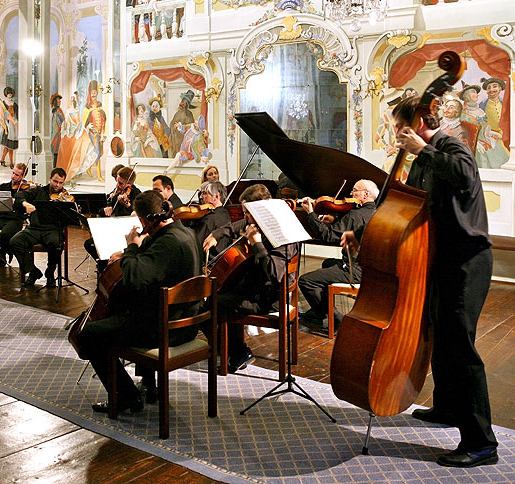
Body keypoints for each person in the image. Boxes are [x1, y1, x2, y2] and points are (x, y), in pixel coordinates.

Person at [342, 95, 498, 467]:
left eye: (400, 126)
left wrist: (424, 149)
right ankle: (446, 407)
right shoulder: (422, 160)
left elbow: (462, 175)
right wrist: (362, 234)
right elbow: (402, 208)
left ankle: (481, 442)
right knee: (439, 336)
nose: (397, 133)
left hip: (467, 261)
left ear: (421, 122)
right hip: (438, 259)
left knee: (461, 348)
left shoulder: (451, 146)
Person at [75, 190, 201, 413]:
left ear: (143, 221)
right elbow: (156, 264)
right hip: (187, 322)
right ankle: (149, 386)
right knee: (123, 312)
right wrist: (129, 255)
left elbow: (134, 279)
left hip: (165, 329)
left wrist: (131, 246)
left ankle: (126, 397)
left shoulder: (167, 244)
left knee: (88, 333)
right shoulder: (183, 233)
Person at [202, 184, 299, 373]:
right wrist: (217, 234)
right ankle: (231, 348)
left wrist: (257, 244)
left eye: (248, 212)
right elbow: (237, 225)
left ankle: (237, 352)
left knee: (209, 305)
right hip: (254, 289)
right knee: (220, 293)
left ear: (262, 210)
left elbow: (274, 273)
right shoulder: (257, 221)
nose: (245, 217)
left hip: (269, 298)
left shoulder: (283, 234)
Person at [297, 179, 378, 333]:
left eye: (355, 190)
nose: (350, 194)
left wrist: (310, 213)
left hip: (354, 271)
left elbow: (327, 236)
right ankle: (318, 311)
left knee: (306, 281)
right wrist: (334, 220)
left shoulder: (355, 214)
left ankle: (337, 319)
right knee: (327, 263)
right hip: (369, 269)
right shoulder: (377, 212)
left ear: (366, 194)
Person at [9, 167, 68, 287]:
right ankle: (32, 271)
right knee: (15, 241)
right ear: (50, 179)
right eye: (55, 181)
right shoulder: (38, 191)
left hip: (52, 230)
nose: (57, 185)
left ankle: (50, 273)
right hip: (34, 229)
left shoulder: (65, 196)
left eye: (60, 183)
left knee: (57, 244)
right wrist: (25, 204)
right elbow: (20, 195)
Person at [84, 166, 143, 266]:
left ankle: (110, 267)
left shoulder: (137, 195)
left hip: (127, 234)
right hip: (114, 231)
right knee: (90, 244)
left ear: (130, 183)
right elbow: (101, 210)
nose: (117, 185)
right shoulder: (116, 192)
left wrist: (128, 206)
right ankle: (105, 266)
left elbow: (137, 218)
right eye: (117, 181)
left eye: (121, 183)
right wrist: (105, 209)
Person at [0, 163, 30, 267]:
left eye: (17, 175)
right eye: (13, 173)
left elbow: (27, 206)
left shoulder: (26, 190)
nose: (13, 176)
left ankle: (2, 254)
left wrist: (18, 202)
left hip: (15, 219)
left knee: (5, 233)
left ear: (23, 177)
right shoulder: (3, 187)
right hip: (1, 217)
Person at [187, 180, 231, 260]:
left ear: (216, 197)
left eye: (204, 193)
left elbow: (195, 247)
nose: (200, 197)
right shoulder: (225, 213)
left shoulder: (210, 219)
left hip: (207, 264)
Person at [0, 86, 18, 168]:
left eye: (11, 94)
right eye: (8, 94)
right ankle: (10, 162)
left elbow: (17, 115)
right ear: (6, 94)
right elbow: (2, 115)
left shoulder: (15, 104)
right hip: (6, 125)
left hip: (13, 125)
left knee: (9, 146)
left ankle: (3, 160)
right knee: (8, 146)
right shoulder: (3, 104)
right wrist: (6, 125)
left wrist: (16, 123)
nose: (9, 95)